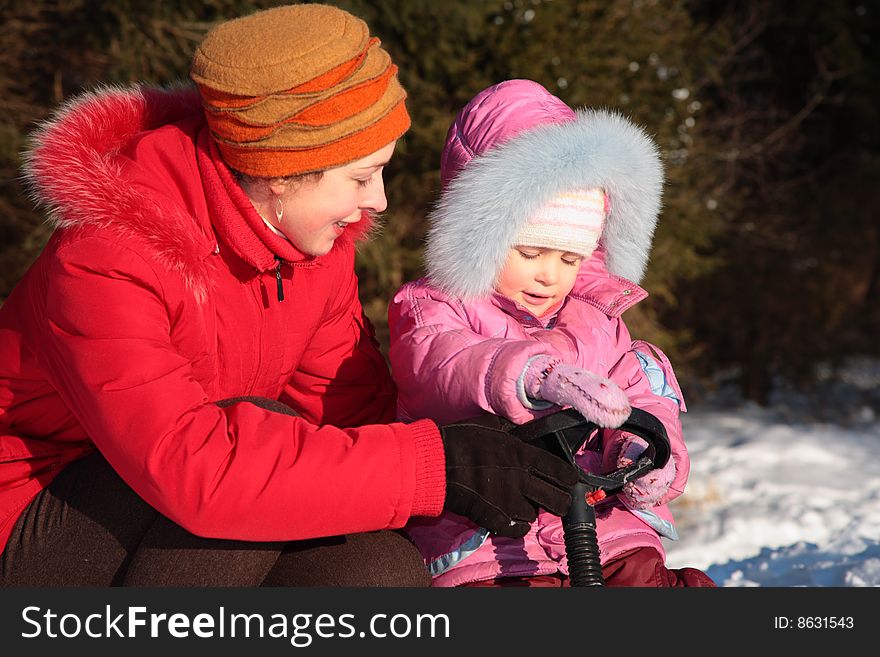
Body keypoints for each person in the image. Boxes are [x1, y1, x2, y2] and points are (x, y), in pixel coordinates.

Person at [0, 6, 579, 587]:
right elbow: (193, 467)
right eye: (360, 177)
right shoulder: (107, 256)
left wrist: (484, 441)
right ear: (280, 171)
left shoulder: (315, 251)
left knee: (375, 567)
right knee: (258, 443)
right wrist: (435, 465)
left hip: (177, 495)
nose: (378, 200)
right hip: (36, 525)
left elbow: (348, 414)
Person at [389, 79, 716, 587]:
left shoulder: (595, 319)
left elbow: (642, 395)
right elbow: (440, 366)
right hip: (490, 546)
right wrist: (531, 376)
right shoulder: (434, 306)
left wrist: (642, 452)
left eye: (569, 258)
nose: (549, 275)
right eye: (529, 252)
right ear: (482, 234)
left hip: (605, 532)